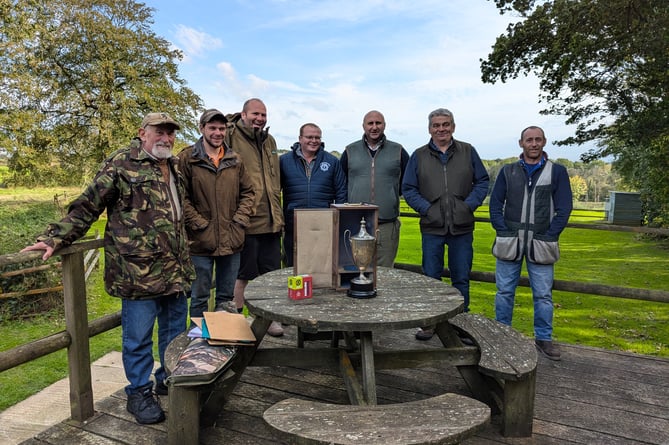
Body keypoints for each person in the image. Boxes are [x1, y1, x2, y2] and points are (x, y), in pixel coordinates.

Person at [21, 112, 195, 424]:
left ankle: (168, 379)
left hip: (175, 270)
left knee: (174, 333)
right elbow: (88, 204)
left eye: (170, 133)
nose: (166, 138)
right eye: (159, 132)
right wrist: (56, 237)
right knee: (138, 337)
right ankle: (139, 392)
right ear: (142, 132)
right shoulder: (121, 163)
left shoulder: (174, 167)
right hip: (138, 273)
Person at [402, 108, 489, 340]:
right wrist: (426, 209)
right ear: (429, 128)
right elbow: (408, 188)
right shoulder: (418, 155)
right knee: (431, 277)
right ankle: (431, 323)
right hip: (432, 227)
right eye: (436, 125)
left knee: (461, 277)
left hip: (461, 227)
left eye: (446, 124)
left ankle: (460, 324)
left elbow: (482, 181)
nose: (441, 129)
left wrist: (468, 205)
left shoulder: (468, 151)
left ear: (453, 126)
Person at [489, 126, 573, 361]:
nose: (533, 144)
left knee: (543, 295)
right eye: (529, 140)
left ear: (544, 142)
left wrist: (551, 234)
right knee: (504, 292)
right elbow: (495, 204)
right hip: (510, 241)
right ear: (521, 143)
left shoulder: (556, 172)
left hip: (541, 242)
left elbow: (564, 207)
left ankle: (544, 338)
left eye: (537, 139)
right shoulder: (508, 171)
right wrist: (503, 229)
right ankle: (503, 334)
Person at [178, 109, 256, 322]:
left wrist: (239, 220)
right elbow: (179, 196)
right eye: (212, 128)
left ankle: (222, 343)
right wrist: (197, 223)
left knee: (226, 297)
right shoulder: (187, 158)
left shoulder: (235, 159)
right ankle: (197, 343)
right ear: (201, 128)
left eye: (221, 128)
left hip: (231, 240)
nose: (218, 132)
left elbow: (248, 192)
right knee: (199, 296)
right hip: (200, 241)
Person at [225, 98, 285, 336]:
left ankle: (267, 319)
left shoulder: (269, 140)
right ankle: (239, 320)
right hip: (245, 220)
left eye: (263, 114)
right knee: (244, 274)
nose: (260, 118)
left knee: (270, 275)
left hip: (271, 220)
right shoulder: (231, 137)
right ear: (243, 114)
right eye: (255, 114)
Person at [341, 110, 409, 267]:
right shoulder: (350, 151)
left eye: (378, 123)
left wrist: (390, 196)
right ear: (363, 126)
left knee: (385, 274)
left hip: (386, 226)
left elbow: (407, 183)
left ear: (384, 125)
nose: (374, 127)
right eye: (370, 123)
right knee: (355, 270)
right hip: (355, 224)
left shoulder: (398, 151)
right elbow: (341, 184)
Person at [280, 123, 347, 266]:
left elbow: (341, 192)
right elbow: (274, 191)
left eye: (317, 137)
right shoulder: (284, 161)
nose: (314, 140)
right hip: (293, 225)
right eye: (309, 137)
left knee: (322, 267)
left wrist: (337, 219)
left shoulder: (332, 161)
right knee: (293, 267)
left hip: (323, 227)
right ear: (300, 138)